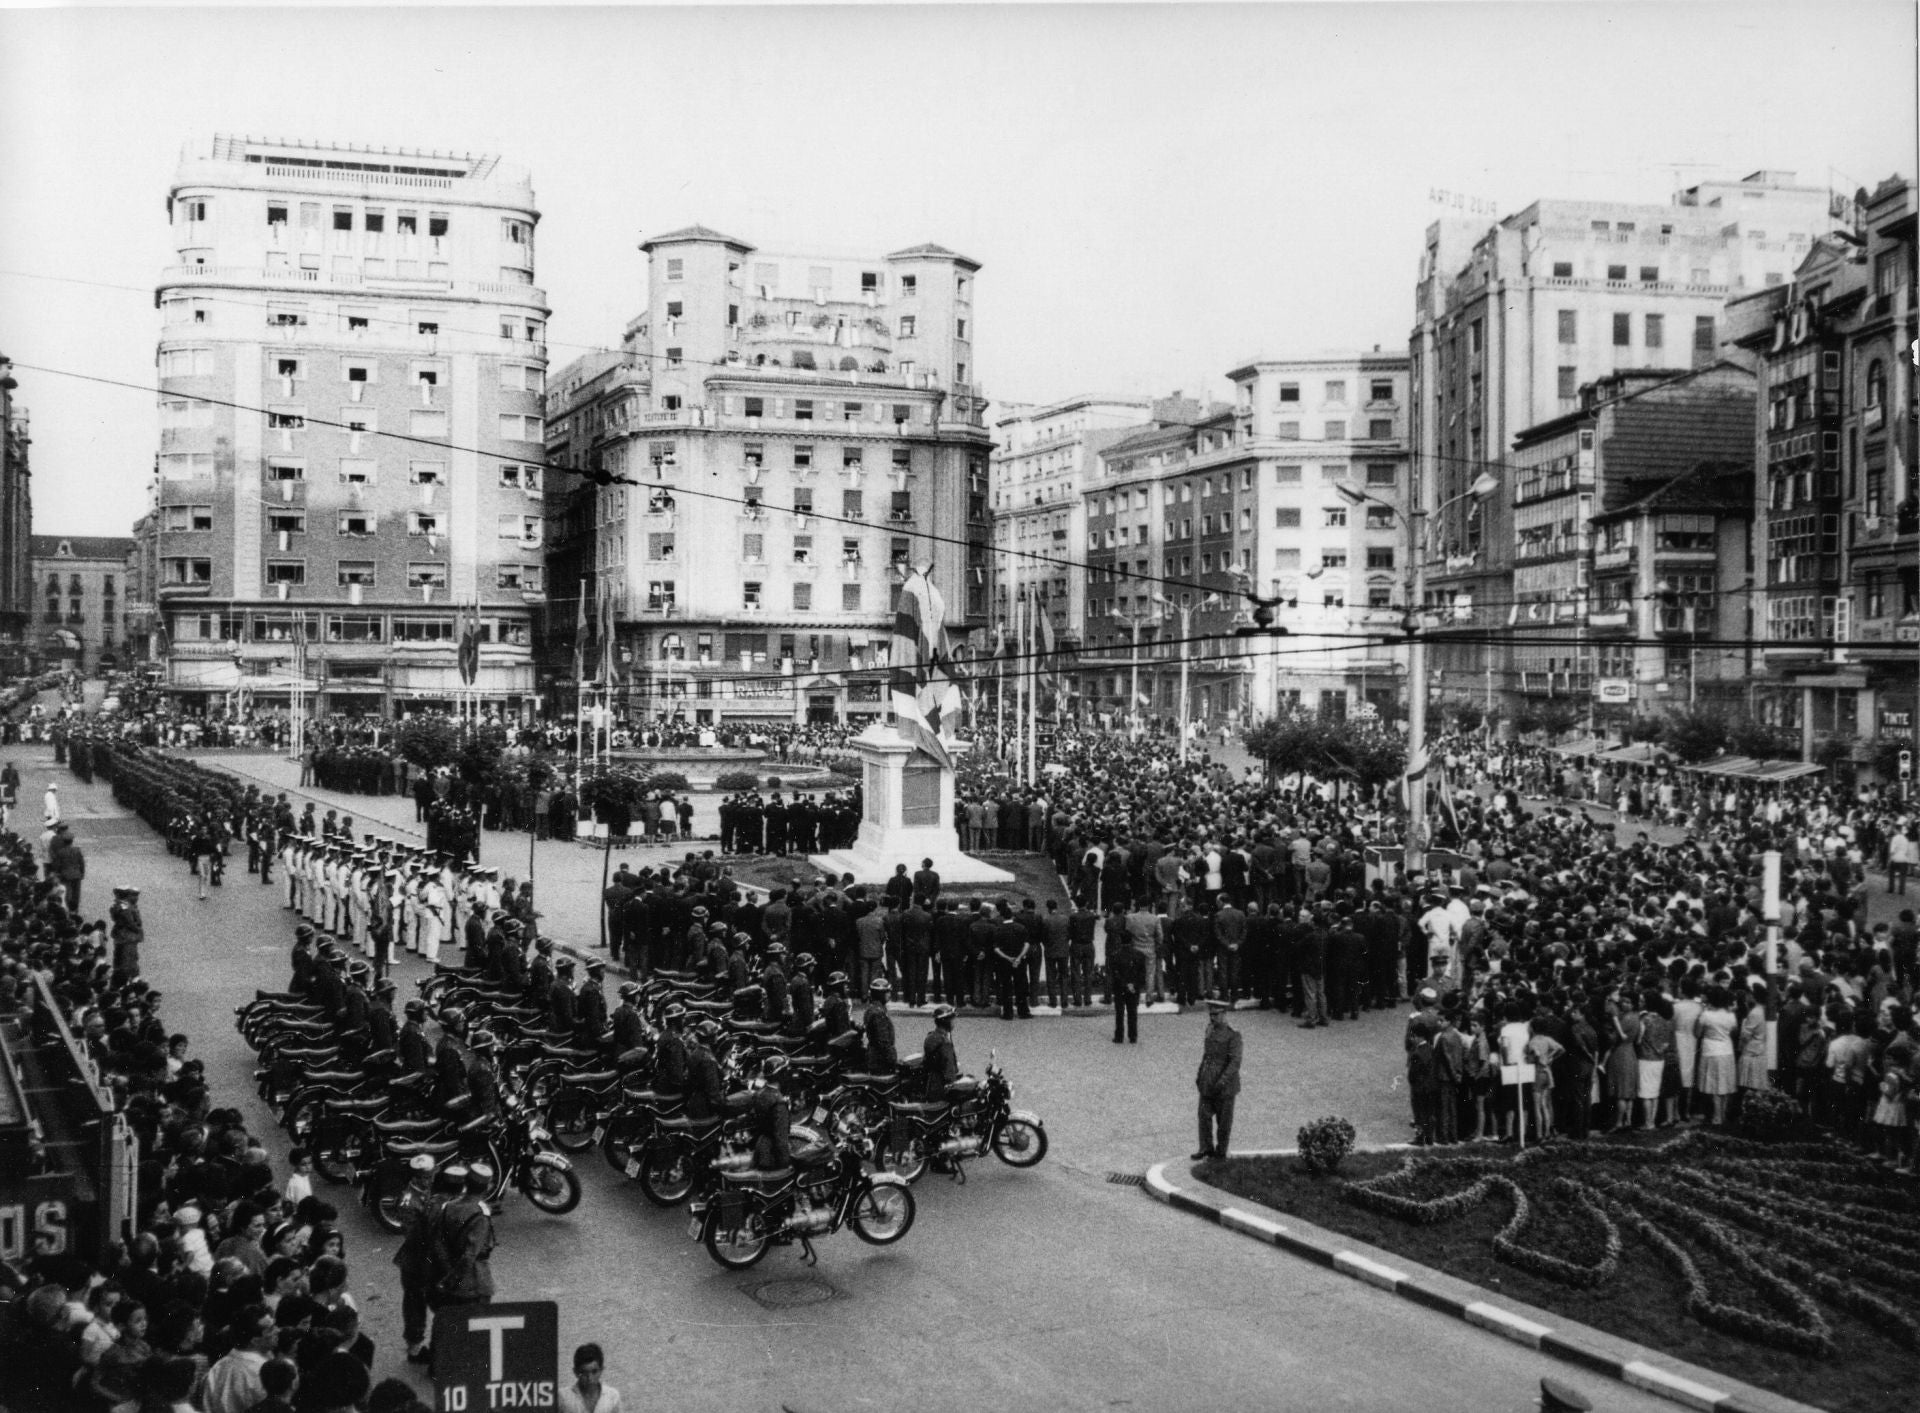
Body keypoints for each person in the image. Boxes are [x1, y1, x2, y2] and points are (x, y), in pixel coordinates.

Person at [391, 1155, 443, 1365]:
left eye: (431, 1175)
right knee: (415, 1305)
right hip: (415, 1261)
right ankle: (414, 1349)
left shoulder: (427, 1192)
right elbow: (413, 1236)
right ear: (417, 1177)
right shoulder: (408, 1201)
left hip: (428, 1260)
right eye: (426, 1177)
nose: (430, 1180)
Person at [1193, 996, 1242, 1160]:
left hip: (1225, 1087)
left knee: (1224, 1123)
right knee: (1203, 1116)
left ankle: (1221, 1153)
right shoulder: (1210, 1030)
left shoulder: (1233, 1035)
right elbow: (1206, 1055)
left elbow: (1234, 1063)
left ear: (1224, 1014)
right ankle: (1206, 1147)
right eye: (1211, 1015)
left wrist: (1221, 1082)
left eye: (1215, 1015)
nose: (1212, 1018)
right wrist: (1200, 1075)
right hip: (1207, 1082)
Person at [559, 1342, 622, 1413]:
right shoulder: (562, 1397)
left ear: (601, 1370)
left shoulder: (612, 1396)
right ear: (575, 1372)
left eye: (594, 1372)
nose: (589, 1378)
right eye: (583, 1372)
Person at [1109, 921, 1145, 1044]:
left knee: (1119, 1012)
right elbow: (1142, 974)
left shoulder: (1115, 956)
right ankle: (1133, 1036)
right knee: (1132, 1012)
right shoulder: (1139, 955)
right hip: (1134, 988)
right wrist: (1133, 985)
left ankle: (1119, 1036)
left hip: (1120, 988)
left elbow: (1115, 974)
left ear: (1120, 940)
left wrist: (1125, 984)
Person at [921, 1003, 959, 1100]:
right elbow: (949, 1069)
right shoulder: (945, 1043)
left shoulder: (931, 1037)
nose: (954, 1022)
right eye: (952, 1019)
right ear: (946, 1021)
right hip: (941, 1088)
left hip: (931, 1085)